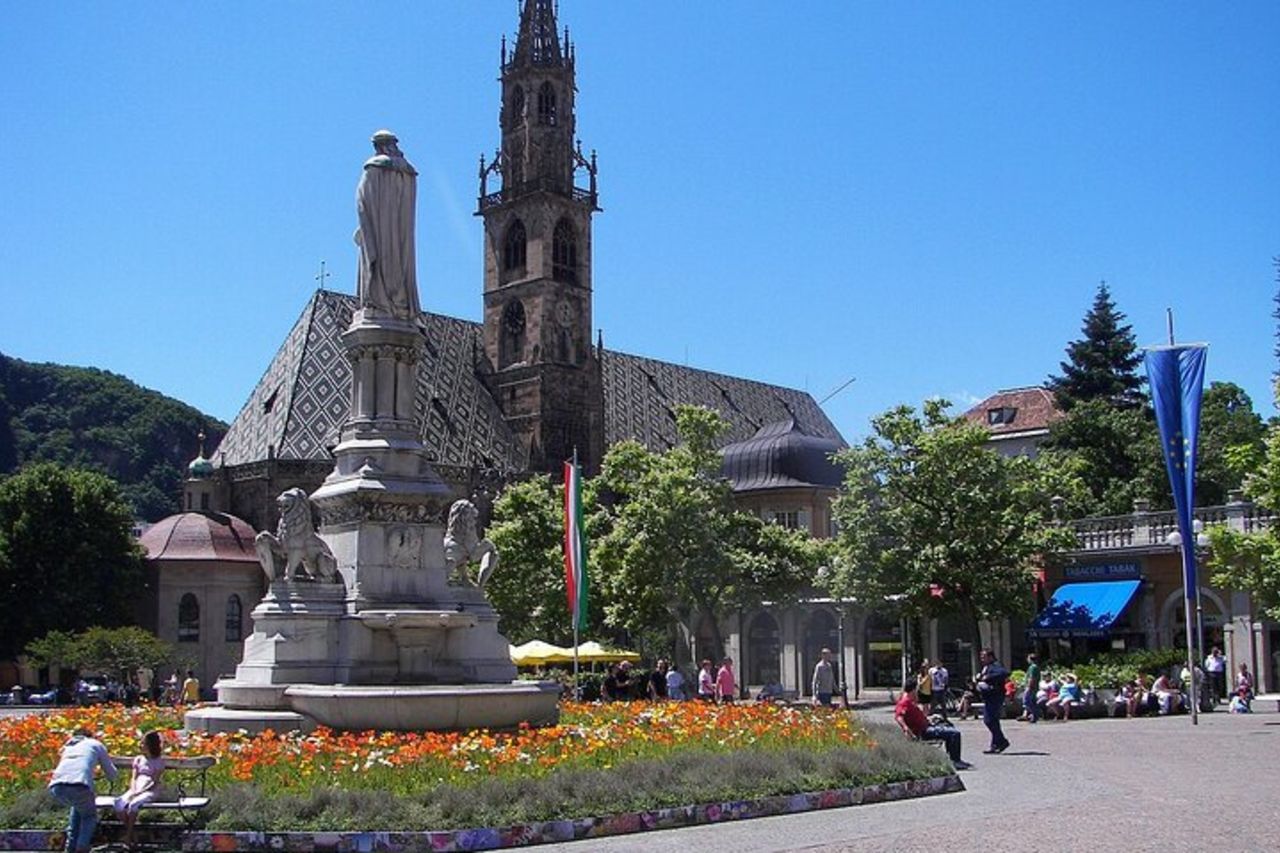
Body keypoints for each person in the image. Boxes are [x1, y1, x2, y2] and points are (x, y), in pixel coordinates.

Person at [355, 130, 422, 322]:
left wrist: (365, 223)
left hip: (378, 230)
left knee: (380, 263)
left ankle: (380, 300)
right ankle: (398, 301)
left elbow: (363, 201)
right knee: (398, 262)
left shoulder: (374, 169)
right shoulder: (408, 172)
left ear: (378, 147)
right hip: (400, 236)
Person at [47, 727, 118, 853]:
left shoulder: (68, 747)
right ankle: (81, 848)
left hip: (57, 787)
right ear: (90, 735)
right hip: (79, 785)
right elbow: (112, 774)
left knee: (78, 809)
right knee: (89, 817)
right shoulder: (95, 744)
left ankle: (70, 848)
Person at [894, 679, 971, 770]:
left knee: (949, 726)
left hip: (927, 726)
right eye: (917, 689)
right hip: (923, 731)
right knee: (954, 733)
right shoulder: (904, 702)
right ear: (913, 690)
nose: (918, 692)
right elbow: (899, 716)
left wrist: (930, 718)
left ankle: (951, 759)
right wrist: (906, 728)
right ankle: (955, 761)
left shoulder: (910, 701)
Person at [114, 730, 165, 850]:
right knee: (119, 804)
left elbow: (154, 781)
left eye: (143, 744)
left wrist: (139, 793)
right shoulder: (138, 759)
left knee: (133, 805)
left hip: (150, 789)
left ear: (150, 746)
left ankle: (128, 836)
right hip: (137, 787)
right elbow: (134, 777)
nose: (140, 746)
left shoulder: (158, 761)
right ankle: (133, 835)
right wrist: (133, 790)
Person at [976, 648, 1010, 754]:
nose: (982, 659)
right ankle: (995, 745)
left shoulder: (995, 666)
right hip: (989, 697)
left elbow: (1004, 673)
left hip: (995, 697)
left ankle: (1002, 741)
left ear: (990, 657)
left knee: (989, 720)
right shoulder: (986, 667)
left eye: (984, 656)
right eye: (981, 657)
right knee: (993, 721)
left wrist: (986, 677)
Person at [1021, 654, 1041, 723]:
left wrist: (1029, 686)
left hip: (1031, 687)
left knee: (1026, 701)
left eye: (1028, 658)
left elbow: (1031, 678)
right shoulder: (1036, 667)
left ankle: (1035, 715)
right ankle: (1033, 716)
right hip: (1034, 687)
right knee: (1032, 702)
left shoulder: (1033, 667)